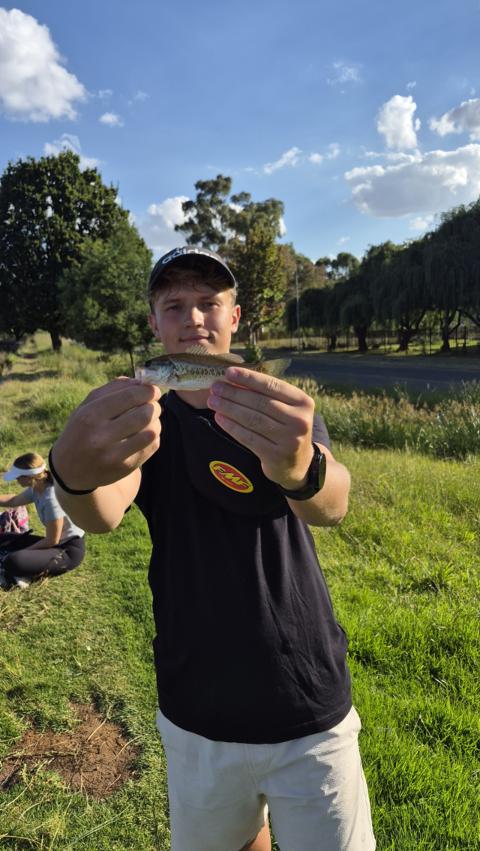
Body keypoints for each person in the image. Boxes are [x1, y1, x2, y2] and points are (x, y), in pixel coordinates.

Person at [49, 246, 376, 851]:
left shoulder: (277, 406)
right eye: (175, 305)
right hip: (196, 705)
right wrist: (70, 475)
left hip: (306, 697)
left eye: (209, 302)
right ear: (154, 323)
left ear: (235, 317)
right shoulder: (143, 421)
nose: (194, 317)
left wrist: (299, 466)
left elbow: (332, 505)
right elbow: (103, 513)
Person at [0, 452, 85, 590]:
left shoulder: (51, 500)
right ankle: (24, 567)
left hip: (67, 551)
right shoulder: (37, 488)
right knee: (3, 538)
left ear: (30, 477)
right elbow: (14, 500)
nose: (16, 480)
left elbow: (52, 541)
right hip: (55, 544)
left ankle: (21, 572)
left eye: (18, 477)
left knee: (13, 560)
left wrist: (24, 551)